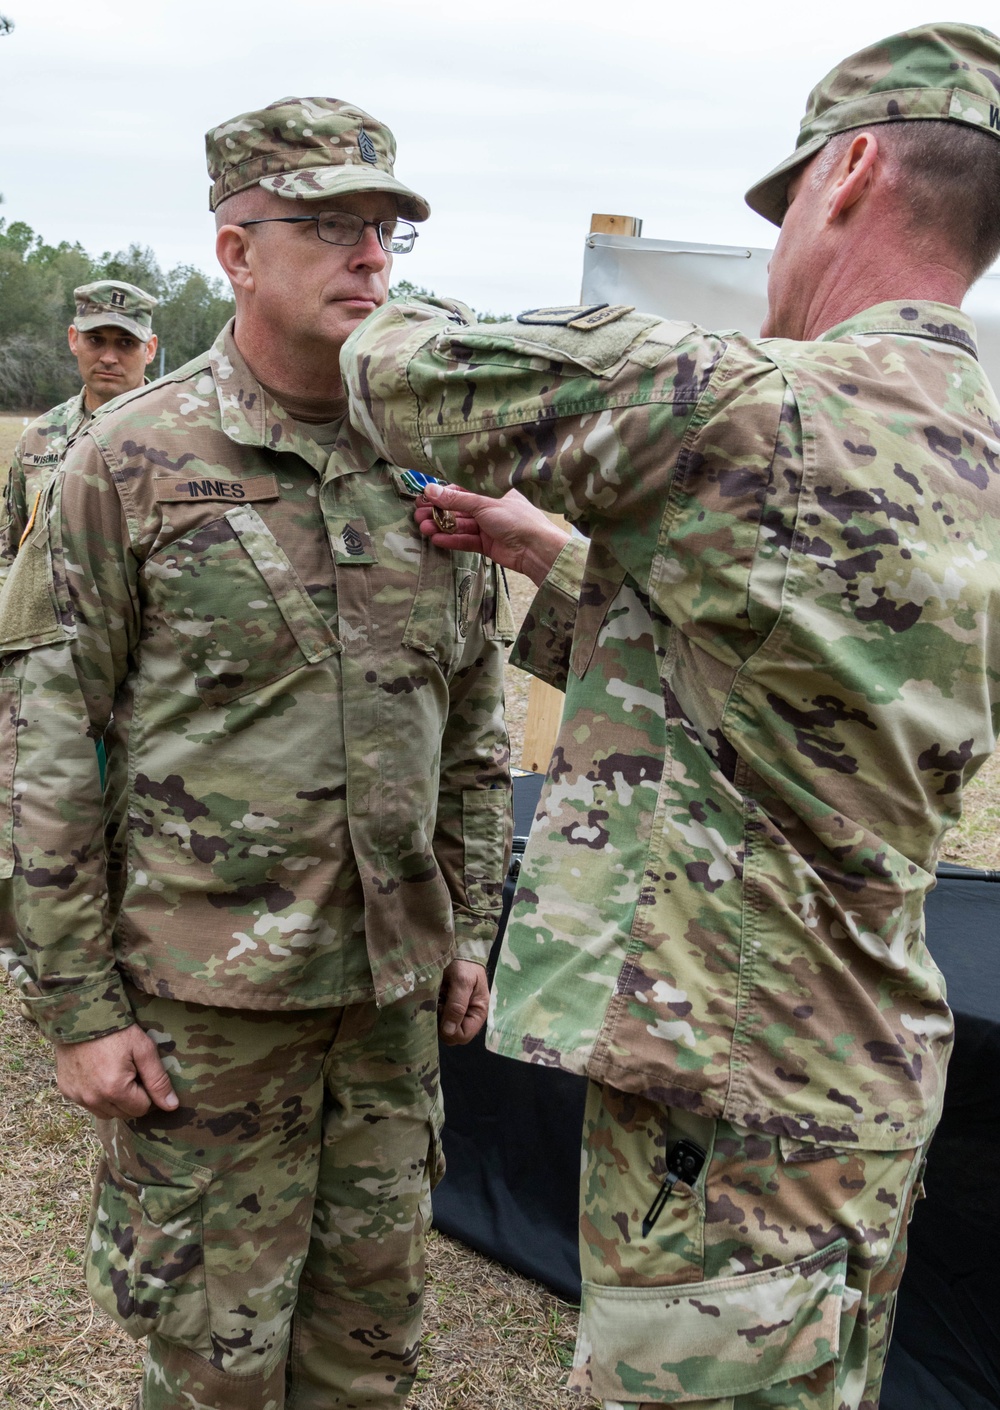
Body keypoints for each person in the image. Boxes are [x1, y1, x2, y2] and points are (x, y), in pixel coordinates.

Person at [342, 22, 1000, 1410]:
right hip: (858, 1094)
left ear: (855, 171)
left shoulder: (746, 406)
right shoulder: (969, 443)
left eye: (782, 211)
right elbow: (813, 663)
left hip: (732, 1120)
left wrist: (363, 281)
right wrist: (544, 551)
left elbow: (398, 374)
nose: (771, 260)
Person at [0, 97, 512, 1410]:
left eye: (385, 228)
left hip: (387, 1010)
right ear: (236, 250)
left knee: (370, 1358)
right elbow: (43, 735)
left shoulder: (429, 458)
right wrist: (78, 1004)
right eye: (331, 226)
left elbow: (471, 721)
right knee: (213, 1370)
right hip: (204, 1013)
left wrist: (471, 929)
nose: (370, 256)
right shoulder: (130, 460)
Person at [1, 279, 158, 579]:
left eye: (126, 343)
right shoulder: (38, 439)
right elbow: (9, 551)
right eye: (95, 340)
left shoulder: (181, 438)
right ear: (74, 339)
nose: (109, 357)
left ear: (150, 349)